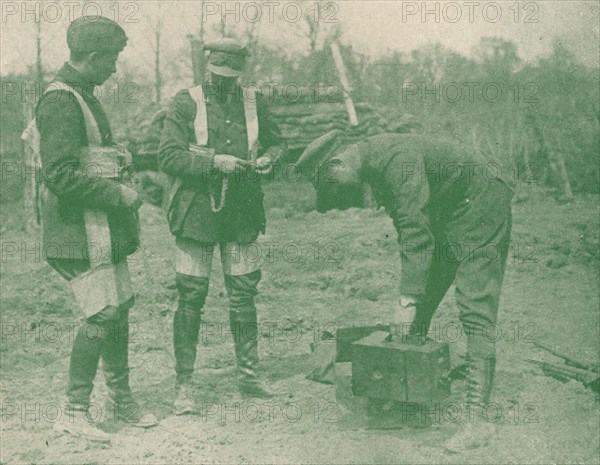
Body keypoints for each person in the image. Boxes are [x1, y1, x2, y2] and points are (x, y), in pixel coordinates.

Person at [294, 130, 513, 452]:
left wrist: (406, 298)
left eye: (333, 185)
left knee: (474, 305)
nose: (338, 194)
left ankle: (478, 422)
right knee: (420, 301)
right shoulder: (373, 166)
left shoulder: (396, 160)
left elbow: (415, 234)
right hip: (449, 205)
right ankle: (410, 393)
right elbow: (410, 232)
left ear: (337, 165)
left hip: (482, 200)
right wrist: (412, 298)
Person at [32, 16, 158, 442]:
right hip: (76, 231)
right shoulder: (60, 101)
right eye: (112, 59)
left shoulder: (83, 95)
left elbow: (89, 160)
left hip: (99, 228)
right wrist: (117, 194)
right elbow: (61, 175)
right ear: (91, 56)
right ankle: (73, 410)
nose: (115, 69)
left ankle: (121, 399)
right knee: (101, 312)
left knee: (118, 307)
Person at [159, 38, 287, 414]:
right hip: (197, 212)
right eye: (217, 75)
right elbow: (167, 156)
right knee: (191, 295)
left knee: (244, 293)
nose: (224, 83)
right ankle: (184, 385)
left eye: (231, 76)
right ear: (208, 69)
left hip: (243, 212)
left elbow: (280, 145)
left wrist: (269, 158)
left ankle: (249, 375)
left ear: (241, 72)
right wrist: (215, 161)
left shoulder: (254, 101)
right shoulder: (186, 101)